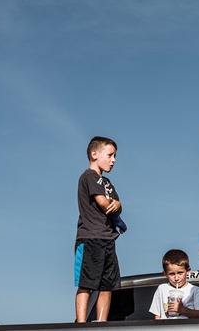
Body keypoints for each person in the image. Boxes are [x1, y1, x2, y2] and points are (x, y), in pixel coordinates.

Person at [74, 136, 125, 323]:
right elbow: (104, 203)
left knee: (107, 286)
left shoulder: (108, 183)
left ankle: (101, 324)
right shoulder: (89, 176)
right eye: (110, 155)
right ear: (94, 154)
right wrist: (113, 204)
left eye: (115, 156)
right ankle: (81, 324)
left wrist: (117, 203)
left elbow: (117, 205)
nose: (113, 160)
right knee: (86, 284)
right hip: (90, 238)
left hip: (108, 239)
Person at [149, 249, 199, 319]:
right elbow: (157, 316)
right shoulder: (162, 289)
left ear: (188, 271)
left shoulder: (195, 291)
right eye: (171, 274)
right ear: (165, 274)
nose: (176, 278)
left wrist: (182, 310)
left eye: (180, 273)